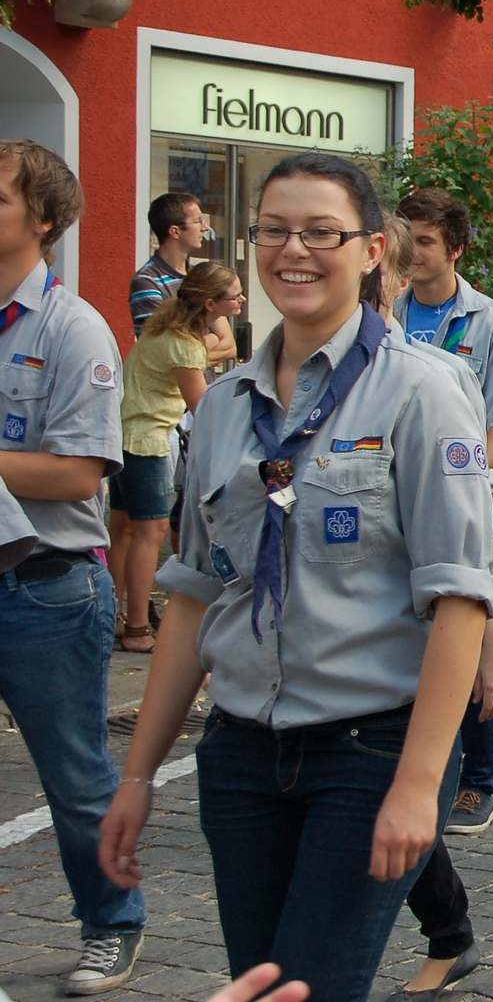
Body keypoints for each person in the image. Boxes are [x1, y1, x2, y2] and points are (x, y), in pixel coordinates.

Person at [98, 152, 493, 1002]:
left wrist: (420, 786)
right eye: (275, 231)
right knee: (259, 983)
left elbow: (461, 597)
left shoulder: (423, 391)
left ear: (372, 249)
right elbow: (194, 598)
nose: (296, 250)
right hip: (241, 752)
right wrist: (137, 777)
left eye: (323, 231)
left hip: (368, 748)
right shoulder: (223, 407)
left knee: (311, 989)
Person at [0, 139, 145, 995]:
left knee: (76, 779)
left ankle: (113, 924)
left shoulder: (72, 324)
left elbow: (79, 471)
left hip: (46, 588)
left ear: (44, 220)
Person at [372, 214, 493, 1002]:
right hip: (309, 658)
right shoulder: (262, 384)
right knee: (371, 795)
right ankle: (452, 932)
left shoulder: (434, 373)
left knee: (386, 785)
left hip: (411, 624)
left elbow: (468, 518)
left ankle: (450, 929)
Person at [393, 187, 493, 835]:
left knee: (478, 624)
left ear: (455, 249)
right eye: (406, 237)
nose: (412, 251)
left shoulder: (491, 323)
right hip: (392, 497)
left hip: (463, 493)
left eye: (425, 241)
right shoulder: (383, 312)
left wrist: (467, 471)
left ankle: (478, 779)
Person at [110, 263, 241, 654]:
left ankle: (112, 615)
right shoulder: (184, 344)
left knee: (122, 530)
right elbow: (202, 404)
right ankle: (137, 626)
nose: (242, 299)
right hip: (148, 442)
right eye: (234, 294)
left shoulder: (164, 328)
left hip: (125, 434)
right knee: (149, 535)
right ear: (209, 302)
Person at [130, 192, 208, 336]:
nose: (205, 227)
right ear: (175, 231)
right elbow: (162, 347)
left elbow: (228, 344)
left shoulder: (200, 278)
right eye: (198, 221)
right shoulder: (147, 281)